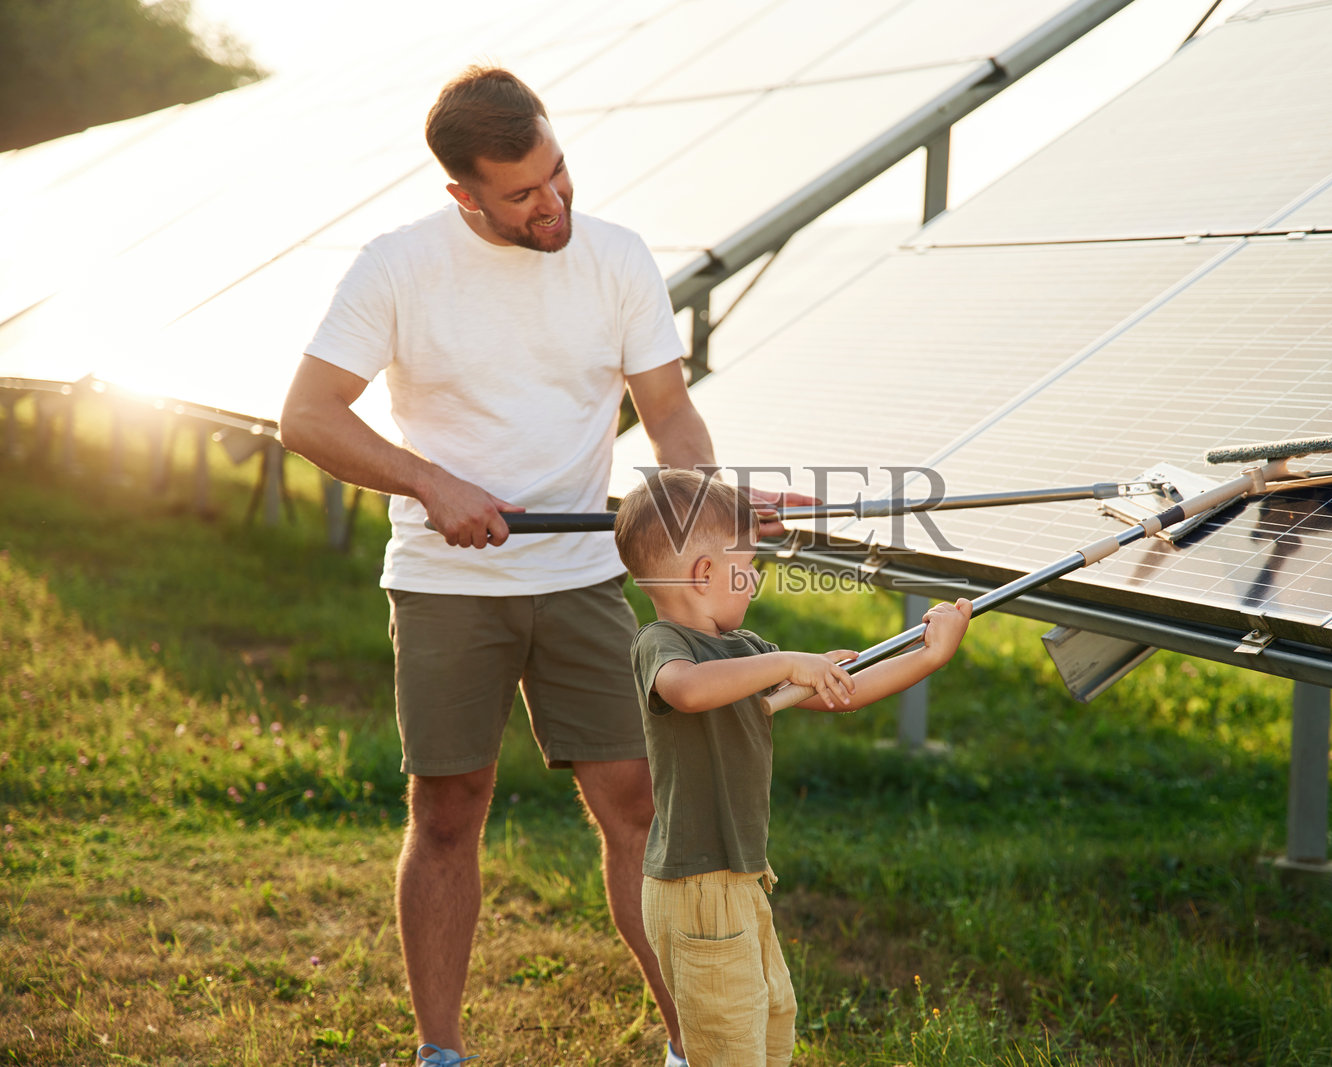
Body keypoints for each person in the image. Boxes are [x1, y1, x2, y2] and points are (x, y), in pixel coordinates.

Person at [279, 66, 802, 1067]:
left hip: (582, 578)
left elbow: (669, 413)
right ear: (463, 193)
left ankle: (691, 1044)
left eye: (557, 171)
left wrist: (712, 510)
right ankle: (440, 1050)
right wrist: (431, 482)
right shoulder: (396, 267)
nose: (552, 201)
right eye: (521, 193)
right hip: (444, 584)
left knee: (640, 807)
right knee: (448, 811)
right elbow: (306, 416)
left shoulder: (616, 257)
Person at [613, 470, 972, 1066]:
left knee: (769, 1022)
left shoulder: (746, 650)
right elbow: (688, 691)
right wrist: (788, 662)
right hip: (695, 888)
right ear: (704, 574)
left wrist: (929, 655)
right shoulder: (662, 644)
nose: (755, 580)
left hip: (741, 878)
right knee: (728, 1047)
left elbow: (845, 694)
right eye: (748, 567)